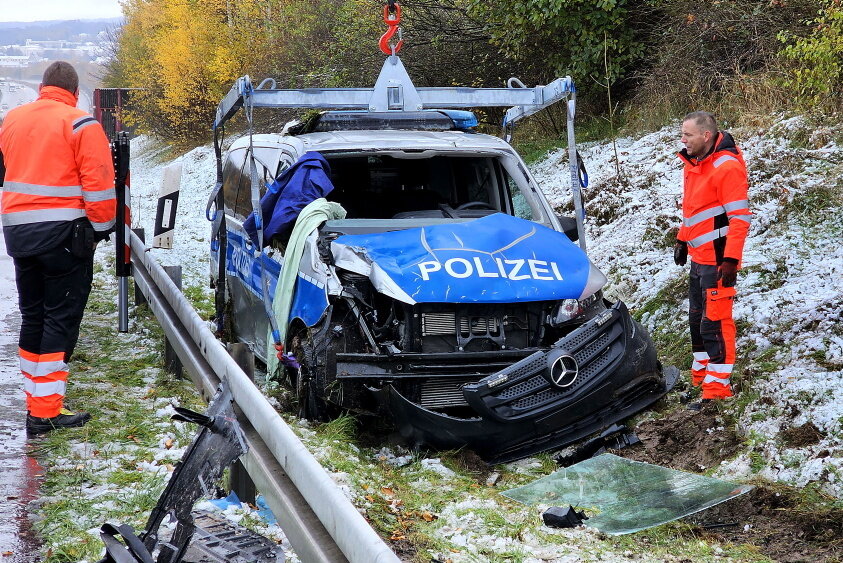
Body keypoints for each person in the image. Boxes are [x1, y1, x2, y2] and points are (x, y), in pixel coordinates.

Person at [0, 61, 116, 434]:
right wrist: (100, 230)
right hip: (64, 237)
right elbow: (97, 185)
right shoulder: (81, 123)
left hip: (19, 235)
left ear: (42, 87)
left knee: (33, 316)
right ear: (74, 91)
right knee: (59, 319)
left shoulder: (11, 121)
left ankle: (36, 403)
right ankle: (46, 413)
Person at [673, 111, 751, 409]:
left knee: (715, 324)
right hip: (698, 258)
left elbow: (739, 218)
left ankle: (717, 390)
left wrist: (731, 260)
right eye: (682, 134)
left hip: (718, 261)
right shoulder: (695, 163)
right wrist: (682, 238)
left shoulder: (726, 167)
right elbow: (694, 210)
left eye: (688, 135)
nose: (683, 140)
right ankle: (703, 380)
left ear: (706, 136)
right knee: (697, 321)